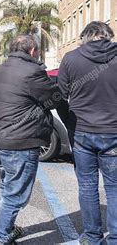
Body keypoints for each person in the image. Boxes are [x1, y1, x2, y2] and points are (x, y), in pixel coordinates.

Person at [0, 35, 62, 245]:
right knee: (16, 195)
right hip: (20, 143)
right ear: (32, 51)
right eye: (37, 52)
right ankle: (2, 237)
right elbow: (53, 98)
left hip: (0, 140)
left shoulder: (0, 69)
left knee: (6, 188)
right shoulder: (32, 71)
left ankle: (5, 228)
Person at [58, 21, 117, 245]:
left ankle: (92, 237)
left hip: (82, 131)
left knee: (87, 186)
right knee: (114, 187)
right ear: (107, 36)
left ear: (85, 37)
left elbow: (60, 97)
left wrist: (70, 123)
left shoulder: (71, 59)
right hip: (113, 131)